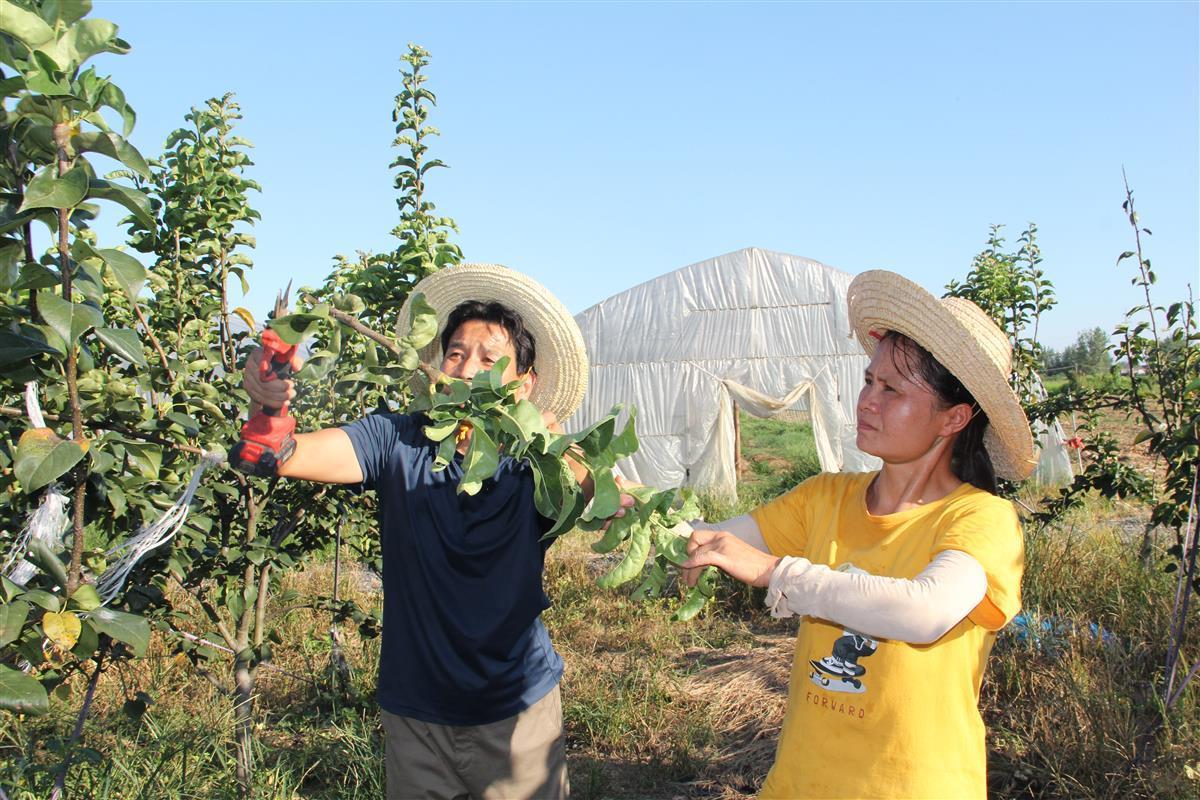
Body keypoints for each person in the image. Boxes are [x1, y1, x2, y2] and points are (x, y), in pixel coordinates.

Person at [680, 269, 1038, 799]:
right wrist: (624, 504)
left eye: (892, 389)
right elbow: (710, 539)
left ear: (953, 417)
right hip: (803, 784)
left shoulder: (980, 519)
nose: (867, 401)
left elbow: (924, 612)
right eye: (870, 381)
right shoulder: (826, 496)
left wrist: (777, 573)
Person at [243, 263, 593, 800]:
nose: (466, 368)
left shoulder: (540, 464)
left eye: (489, 360)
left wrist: (554, 445)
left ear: (524, 384)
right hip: (417, 715)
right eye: (455, 353)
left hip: (517, 711)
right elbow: (284, 455)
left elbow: (603, 495)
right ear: (435, 366)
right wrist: (269, 409)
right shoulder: (397, 440)